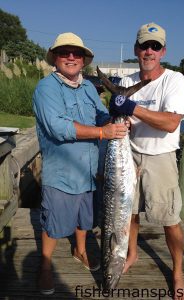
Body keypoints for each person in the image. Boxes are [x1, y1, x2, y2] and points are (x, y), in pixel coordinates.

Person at [33, 32, 128, 295]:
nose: (71, 58)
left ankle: (81, 250)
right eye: (65, 53)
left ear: (84, 60)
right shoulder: (46, 88)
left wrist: (115, 121)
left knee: (84, 219)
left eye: (76, 54)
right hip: (61, 172)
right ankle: (45, 265)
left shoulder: (88, 87)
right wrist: (103, 133)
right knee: (53, 223)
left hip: (90, 169)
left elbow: (99, 115)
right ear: (55, 58)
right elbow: (58, 127)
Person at [109, 22, 184, 299]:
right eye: (144, 45)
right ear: (136, 49)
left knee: (170, 219)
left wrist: (132, 107)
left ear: (163, 51)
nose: (149, 51)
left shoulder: (174, 80)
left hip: (160, 157)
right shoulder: (127, 81)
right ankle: (131, 254)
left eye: (155, 46)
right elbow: (123, 121)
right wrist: (117, 115)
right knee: (128, 214)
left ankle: (178, 271)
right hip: (127, 153)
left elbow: (170, 123)